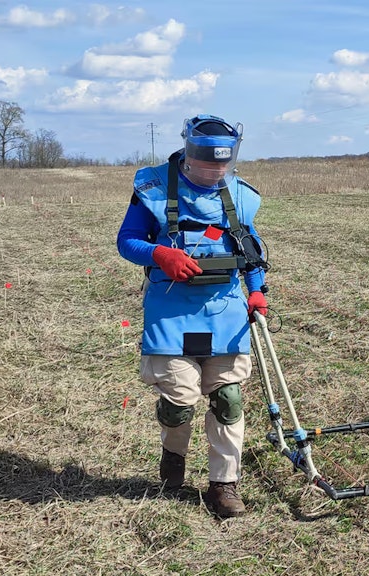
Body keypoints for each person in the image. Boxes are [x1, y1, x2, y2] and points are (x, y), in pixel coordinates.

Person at [117, 114, 270, 517]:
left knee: (228, 399)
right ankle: (172, 456)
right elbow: (127, 241)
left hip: (224, 312)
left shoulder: (239, 195)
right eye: (207, 162)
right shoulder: (151, 187)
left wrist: (256, 293)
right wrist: (160, 253)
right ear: (189, 152)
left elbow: (250, 251)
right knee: (180, 400)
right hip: (171, 310)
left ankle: (224, 485)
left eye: (223, 163)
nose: (214, 170)